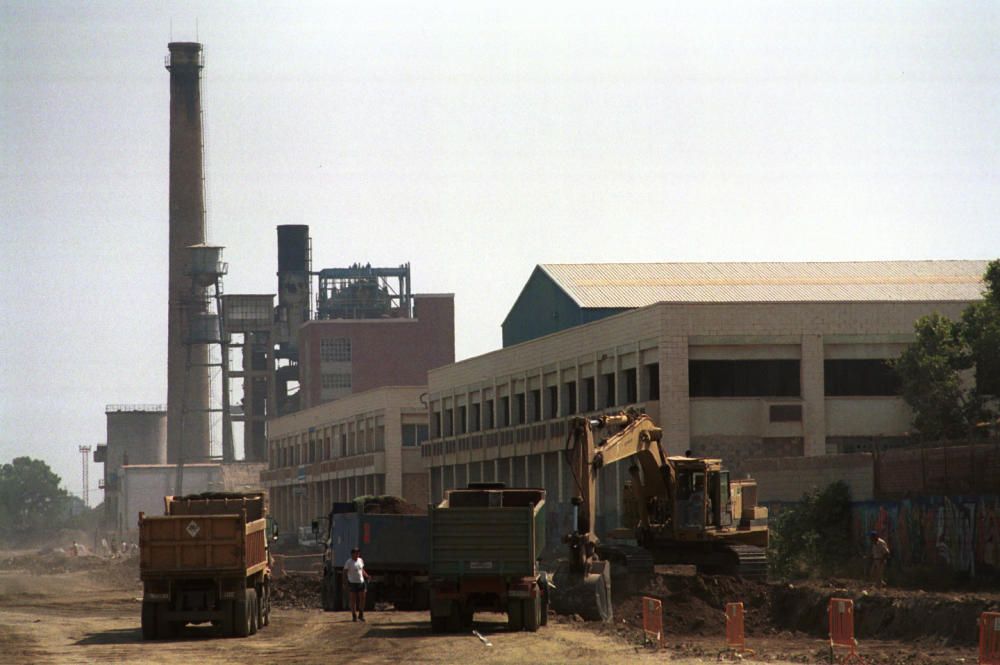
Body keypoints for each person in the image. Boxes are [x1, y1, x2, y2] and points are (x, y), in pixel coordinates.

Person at [343, 547, 371, 622]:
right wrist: (345, 583)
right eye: (356, 553)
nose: (357, 554)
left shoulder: (360, 560)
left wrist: (367, 576)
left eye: (358, 553)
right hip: (352, 583)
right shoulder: (348, 562)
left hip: (361, 582)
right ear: (352, 554)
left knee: (362, 598)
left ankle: (361, 615)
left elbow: (362, 570)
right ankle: (354, 615)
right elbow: (345, 572)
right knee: (353, 600)